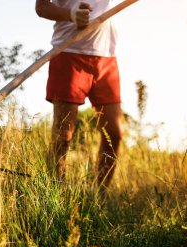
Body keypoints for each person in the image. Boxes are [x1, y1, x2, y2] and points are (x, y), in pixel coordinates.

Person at [35, 0, 123, 188]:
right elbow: (41, 7)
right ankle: (56, 193)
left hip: (106, 56)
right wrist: (71, 14)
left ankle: (100, 195)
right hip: (68, 52)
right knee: (63, 135)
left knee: (114, 133)